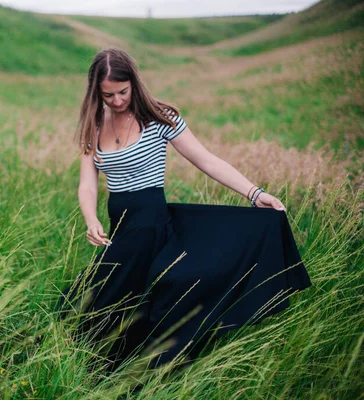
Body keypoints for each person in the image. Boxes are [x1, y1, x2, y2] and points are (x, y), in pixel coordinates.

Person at [59, 48, 312, 371]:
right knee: (93, 295)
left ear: (134, 84)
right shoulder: (93, 124)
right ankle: (89, 356)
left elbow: (206, 160)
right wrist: (90, 217)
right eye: (108, 95)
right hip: (120, 224)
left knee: (114, 295)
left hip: (151, 222)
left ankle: (136, 362)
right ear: (96, 91)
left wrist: (254, 192)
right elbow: (88, 183)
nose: (117, 100)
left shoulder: (160, 118)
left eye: (122, 92)